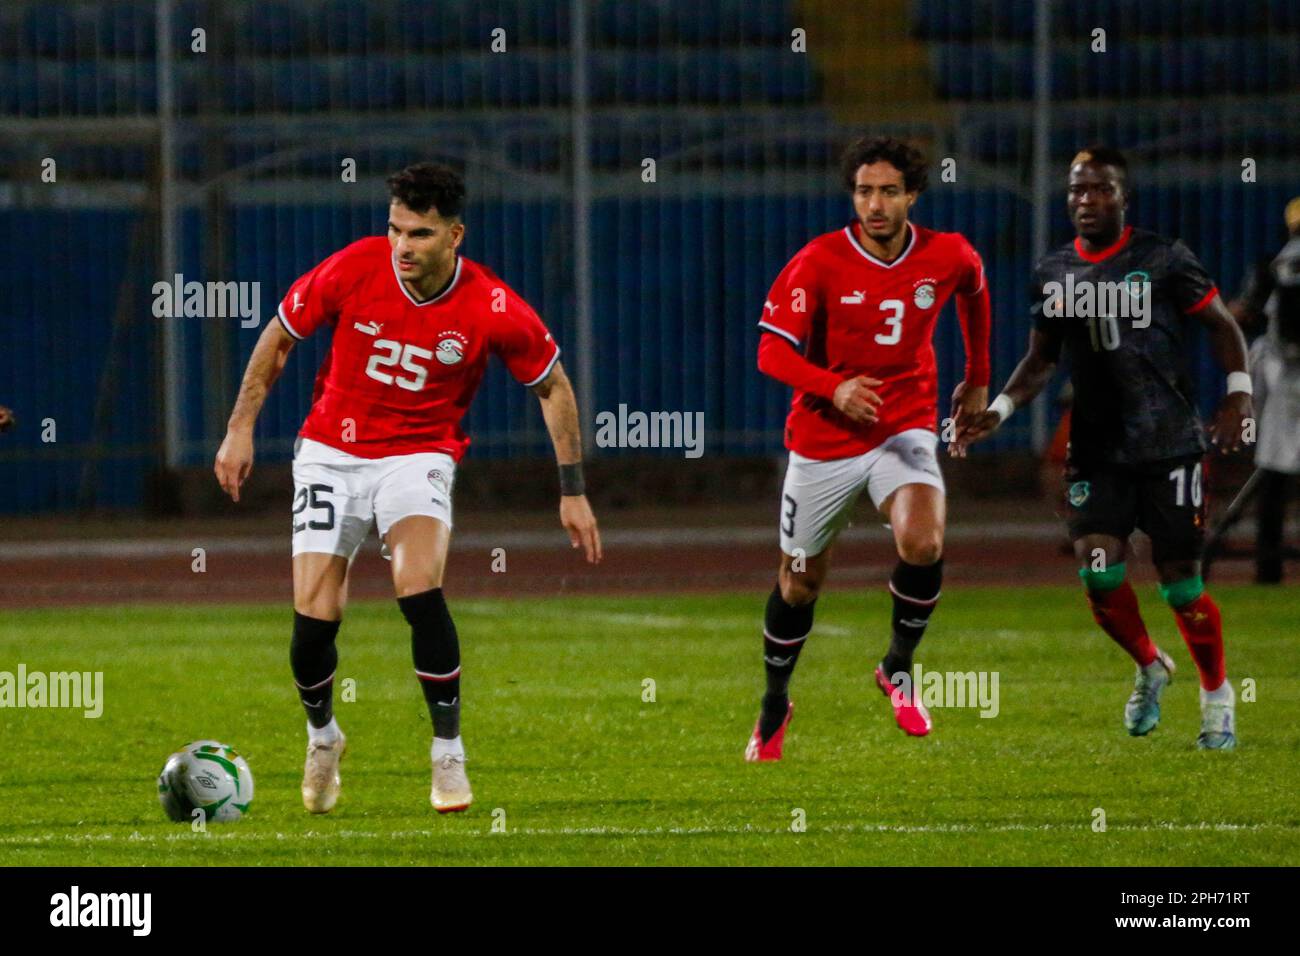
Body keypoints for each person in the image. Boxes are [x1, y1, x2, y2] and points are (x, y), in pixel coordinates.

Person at [214, 163, 602, 813]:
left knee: (417, 586)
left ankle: (447, 754)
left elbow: (553, 385)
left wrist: (572, 488)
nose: (401, 246)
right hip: (330, 453)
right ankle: (323, 736)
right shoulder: (355, 267)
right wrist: (239, 429)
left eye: (419, 234)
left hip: (418, 453)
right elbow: (280, 336)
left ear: (456, 236)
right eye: (394, 229)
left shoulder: (491, 305)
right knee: (315, 618)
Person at [954, 146, 1252, 750]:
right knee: (1097, 572)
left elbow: (1222, 324)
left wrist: (1239, 396)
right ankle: (1148, 666)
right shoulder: (1053, 272)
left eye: (1099, 190)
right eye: (1076, 191)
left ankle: (1217, 693)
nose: (1085, 201)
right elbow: (1041, 361)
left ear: (1123, 197)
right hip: (1095, 450)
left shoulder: (1164, 258)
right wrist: (1000, 410)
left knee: (1181, 585)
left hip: (1168, 444)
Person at [745, 136, 991, 761]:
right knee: (800, 583)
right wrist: (835, 386)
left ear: (912, 194)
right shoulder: (819, 261)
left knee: (924, 542)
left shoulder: (946, 254)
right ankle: (776, 701)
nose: (874, 204)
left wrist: (979, 376)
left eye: (887, 191)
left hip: (903, 423)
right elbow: (770, 352)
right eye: (863, 191)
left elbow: (975, 288)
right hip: (824, 437)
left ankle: (897, 667)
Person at [1229, 197, 1300, 583]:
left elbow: (1247, 312)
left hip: (1283, 377)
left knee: (1273, 470)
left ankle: (1268, 565)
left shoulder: (1274, 265)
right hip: (1286, 375)